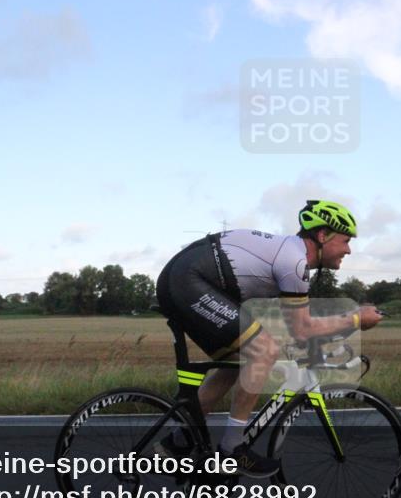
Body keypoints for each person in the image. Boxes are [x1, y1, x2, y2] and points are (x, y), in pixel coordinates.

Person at [154, 200, 384, 477]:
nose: (349, 249)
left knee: (240, 362)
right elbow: (302, 328)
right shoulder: (295, 262)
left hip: (189, 278)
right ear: (323, 236)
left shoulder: (291, 257)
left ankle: (176, 443)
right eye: (346, 240)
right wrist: (356, 319)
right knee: (263, 352)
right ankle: (231, 450)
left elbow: (293, 326)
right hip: (188, 280)